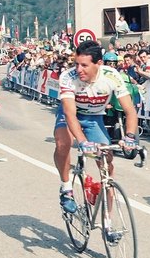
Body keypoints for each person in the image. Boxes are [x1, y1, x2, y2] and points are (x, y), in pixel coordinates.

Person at [53, 41, 139, 236]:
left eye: (84, 65)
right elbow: (70, 115)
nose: (78, 69)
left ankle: (108, 224)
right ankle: (66, 188)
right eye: (76, 64)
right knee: (63, 143)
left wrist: (131, 137)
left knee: (107, 165)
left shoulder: (112, 76)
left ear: (98, 63)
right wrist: (83, 142)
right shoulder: (68, 77)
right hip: (71, 115)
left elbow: (130, 111)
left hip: (94, 118)